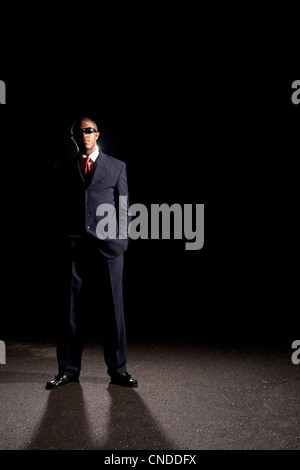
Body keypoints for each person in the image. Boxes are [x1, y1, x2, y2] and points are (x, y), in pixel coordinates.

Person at [46, 116, 137, 389]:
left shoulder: (116, 166)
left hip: (108, 248)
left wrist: (121, 242)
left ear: (97, 134)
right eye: (79, 131)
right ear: (73, 137)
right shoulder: (63, 169)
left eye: (89, 130)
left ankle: (118, 370)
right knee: (71, 312)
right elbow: (57, 210)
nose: (85, 135)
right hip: (74, 248)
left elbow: (123, 206)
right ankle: (68, 370)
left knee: (113, 312)